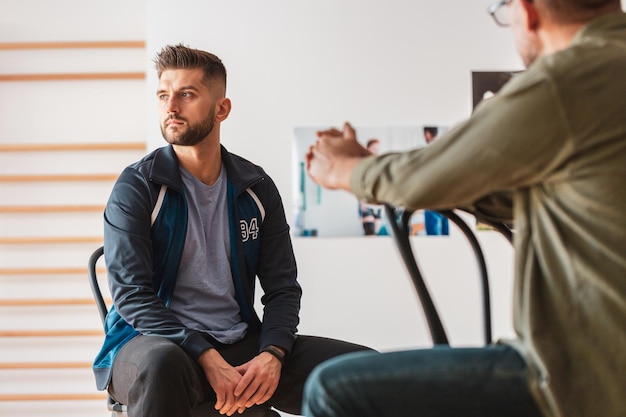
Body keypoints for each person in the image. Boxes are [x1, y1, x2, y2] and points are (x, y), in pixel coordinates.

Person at [303, 1, 626, 417]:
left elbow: (425, 177)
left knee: (333, 390)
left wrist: (346, 168)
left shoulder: (569, 78)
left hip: (585, 380)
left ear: (527, 12)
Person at [91, 44, 371, 417]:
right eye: (163, 95)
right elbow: (131, 295)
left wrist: (272, 353)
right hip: (150, 345)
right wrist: (206, 355)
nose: (171, 107)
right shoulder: (138, 186)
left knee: (363, 371)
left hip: (240, 344)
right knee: (163, 365)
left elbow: (283, 288)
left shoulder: (254, 187)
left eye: (186, 94)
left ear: (221, 108)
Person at [421, 126, 450, 236]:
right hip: (448, 200)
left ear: (427, 134)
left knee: (434, 240)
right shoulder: (446, 147)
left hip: (432, 200)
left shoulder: (427, 152)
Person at [357, 139, 383, 235]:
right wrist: (361, 201)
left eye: (378, 149)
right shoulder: (362, 165)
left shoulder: (379, 165)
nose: (376, 151)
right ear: (368, 149)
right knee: (369, 231)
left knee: (376, 232)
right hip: (366, 201)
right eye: (374, 149)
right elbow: (358, 184)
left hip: (377, 203)